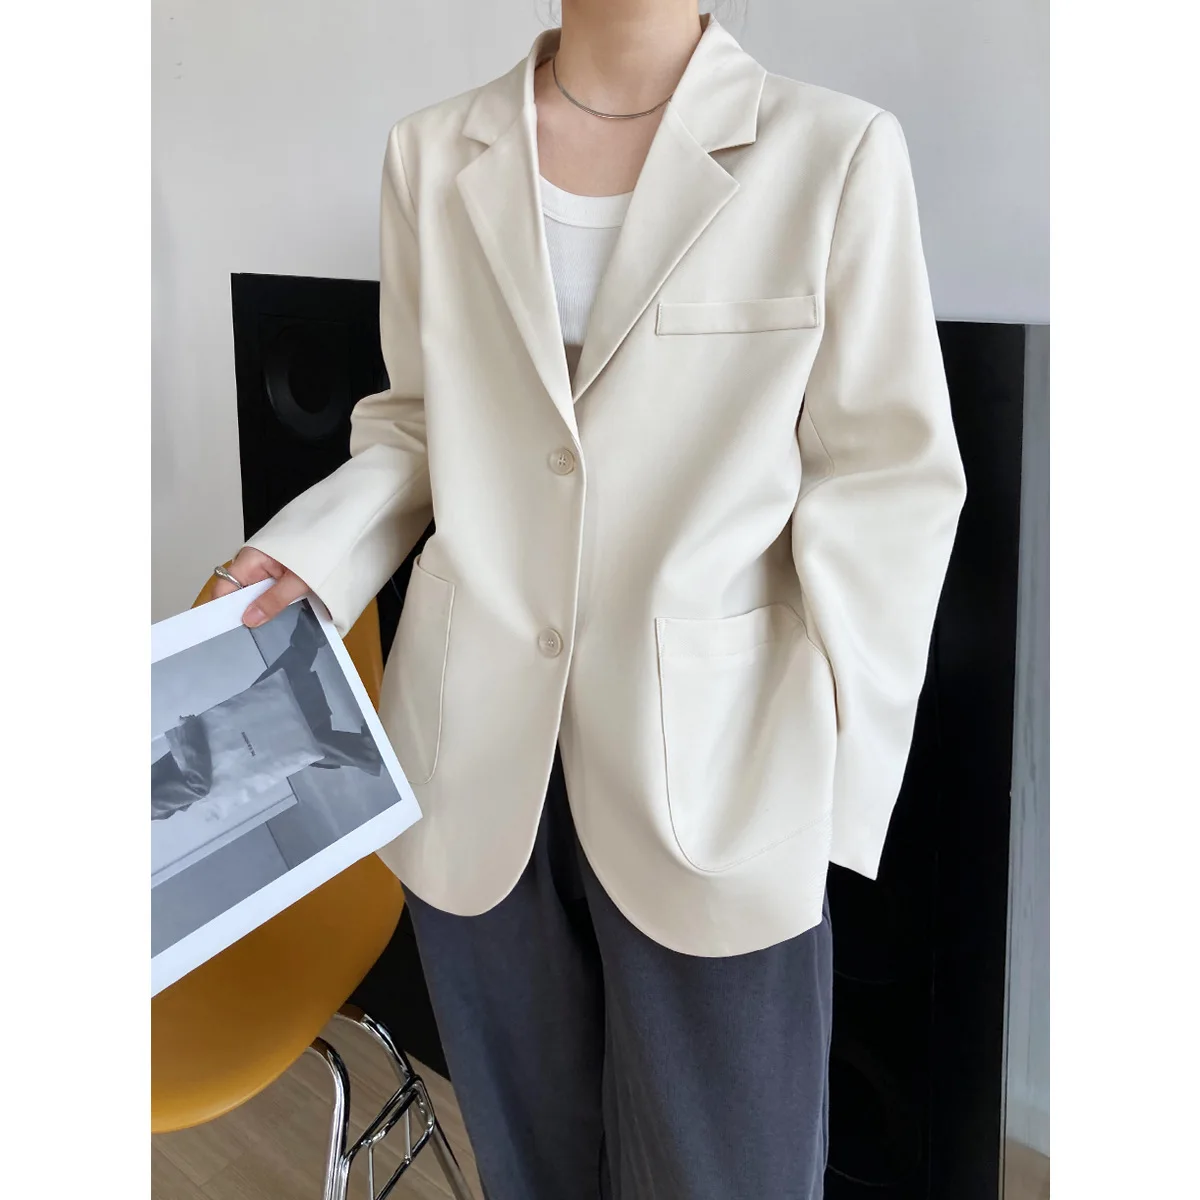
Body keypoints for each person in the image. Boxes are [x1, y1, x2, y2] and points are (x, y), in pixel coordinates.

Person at [211, 6, 968, 1197]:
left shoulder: (833, 151)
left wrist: (837, 775)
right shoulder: (432, 151)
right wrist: (314, 549)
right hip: (474, 756)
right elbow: (417, 422)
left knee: (732, 1173)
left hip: (718, 770)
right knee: (534, 1167)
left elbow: (888, 483)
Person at [151, 609, 382, 822]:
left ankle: (362, 753)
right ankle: (310, 633)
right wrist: (188, 735)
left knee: (278, 715)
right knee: (278, 712)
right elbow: (197, 786)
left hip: (214, 752)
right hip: (208, 754)